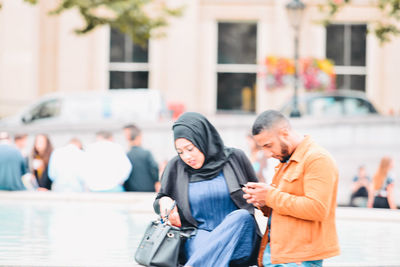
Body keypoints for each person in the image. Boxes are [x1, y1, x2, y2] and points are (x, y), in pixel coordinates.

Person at [153, 112, 260, 267]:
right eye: (180, 152)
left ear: (203, 139)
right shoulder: (176, 166)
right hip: (199, 236)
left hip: (238, 238)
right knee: (205, 250)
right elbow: (160, 200)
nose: (187, 157)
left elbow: (259, 198)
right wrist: (164, 200)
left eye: (190, 148)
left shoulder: (235, 158)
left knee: (242, 216)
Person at [242, 110, 340, 266]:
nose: (267, 154)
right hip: (277, 255)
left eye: (269, 145)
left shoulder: (318, 159)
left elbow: (318, 208)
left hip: (298, 259)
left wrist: (270, 196)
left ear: (284, 133)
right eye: (262, 148)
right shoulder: (286, 161)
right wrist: (261, 201)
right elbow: (283, 208)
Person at [122, 124, 160, 192]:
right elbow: (154, 168)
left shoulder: (126, 155)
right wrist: (156, 181)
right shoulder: (146, 153)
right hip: (148, 189)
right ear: (139, 137)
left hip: (130, 190)